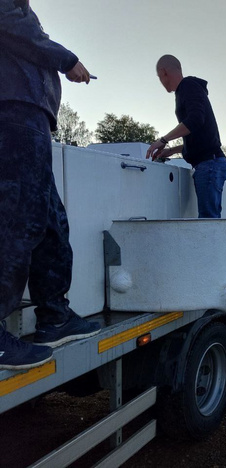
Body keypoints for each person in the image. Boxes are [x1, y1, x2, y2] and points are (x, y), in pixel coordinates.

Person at [0, 0, 101, 370]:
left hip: (28, 113)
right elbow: (10, 22)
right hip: (13, 111)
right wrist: (66, 58)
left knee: (48, 219)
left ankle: (55, 316)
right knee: (15, 220)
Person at [146, 54, 226, 218]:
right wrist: (172, 151)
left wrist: (163, 140)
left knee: (208, 221)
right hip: (210, 163)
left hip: (209, 164)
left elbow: (196, 120)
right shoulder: (187, 89)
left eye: (159, 77)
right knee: (210, 220)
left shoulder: (188, 86)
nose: (161, 82)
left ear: (163, 72)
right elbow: (200, 135)